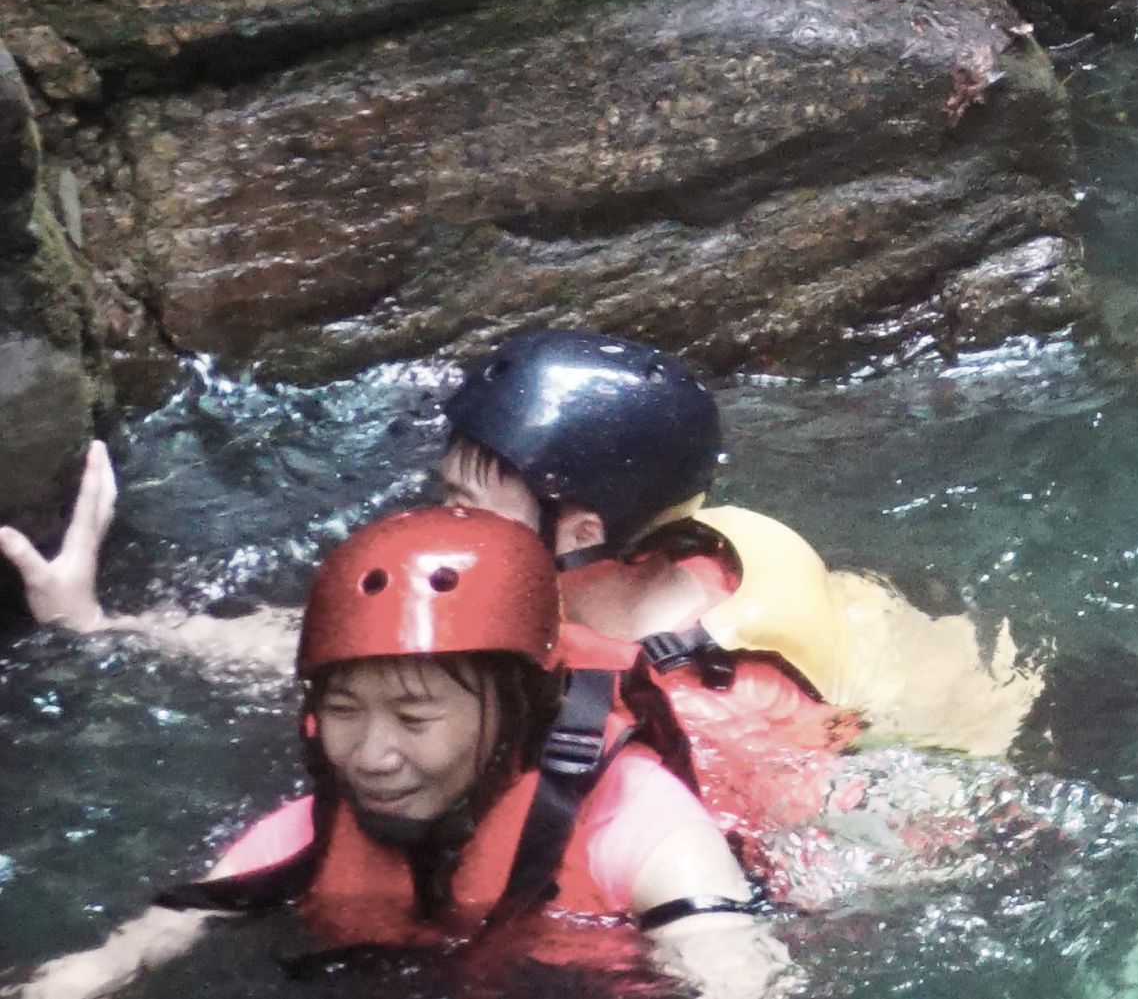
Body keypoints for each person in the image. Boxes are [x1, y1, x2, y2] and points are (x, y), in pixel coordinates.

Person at [6, 335, 1033, 852]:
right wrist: (102, 622)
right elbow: (358, 648)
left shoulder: (706, 710)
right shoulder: (626, 565)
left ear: (579, 528)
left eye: (465, 498)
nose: (439, 517)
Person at [9, 508, 787, 999]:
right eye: (342, 710)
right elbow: (134, 948)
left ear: (518, 711)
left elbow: (733, 971)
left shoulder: (646, 831)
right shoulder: (318, 827)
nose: (371, 756)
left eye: (414, 717)